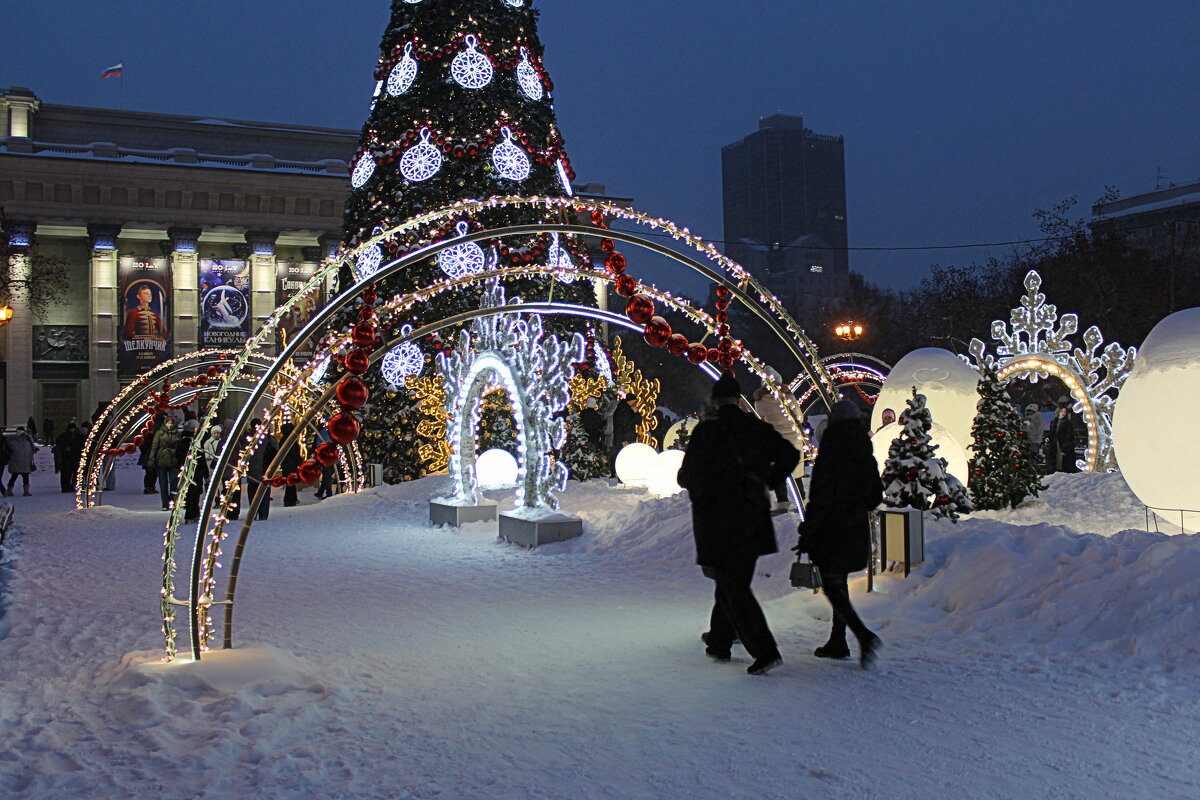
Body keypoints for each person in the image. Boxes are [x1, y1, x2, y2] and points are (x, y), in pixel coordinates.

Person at [677, 372, 799, 676]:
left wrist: (704, 489)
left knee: (732, 584)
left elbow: (685, 476)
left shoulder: (707, 432)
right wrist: (767, 480)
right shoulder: (755, 428)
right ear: (739, 400)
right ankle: (720, 641)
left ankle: (765, 651)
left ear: (716, 402)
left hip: (717, 517)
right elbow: (791, 454)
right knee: (732, 580)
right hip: (751, 515)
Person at [796, 400, 884, 669]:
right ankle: (839, 639)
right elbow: (874, 496)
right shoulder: (864, 452)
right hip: (854, 525)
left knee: (833, 585)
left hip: (830, 527)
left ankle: (861, 635)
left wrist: (809, 529)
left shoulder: (831, 451)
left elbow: (820, 496)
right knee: (838, 582)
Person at [752, 385, 806, 513]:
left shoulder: (760, 402)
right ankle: (802, 501)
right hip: (794, 438)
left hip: (776, 441)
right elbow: (799, 418)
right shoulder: (789, 398)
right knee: (797, 472)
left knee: (778, 471)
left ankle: (783, 503)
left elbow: (760, 419)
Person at [245, 419, 278, 521]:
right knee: (264, 492)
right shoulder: (268, 438)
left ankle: (253, 513)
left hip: (251, 471)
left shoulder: (247, 438)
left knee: (252, 492)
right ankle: (263, 514)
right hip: (265, 470)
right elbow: (276, 451)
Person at [148, 415, 182, 510]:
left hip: (173, 459)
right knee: (163, 483)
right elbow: (154, 446)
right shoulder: (159, 433)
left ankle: (172, 501)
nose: (169, 425)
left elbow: (180, 446)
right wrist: (151, 458)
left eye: (171, 423)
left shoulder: (177, 433)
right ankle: (165, 504)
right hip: (162, 459)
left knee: (174, 482)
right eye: (168, 423)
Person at [610, 394, 639, 478]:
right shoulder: (621, 409)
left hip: (630, 436)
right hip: (621, 437)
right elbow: (618, 425)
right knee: (618, 454)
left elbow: (639, 422)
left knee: (628, 455)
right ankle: (614, 472)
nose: (634, 403)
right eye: (633, 401)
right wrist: (623, 439)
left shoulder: (632, 410)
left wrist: (636, 412)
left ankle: (626, 471)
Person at [54, 422, 86, 493]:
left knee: (73, 473)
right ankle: (66, 487)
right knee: (66, 473)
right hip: (67, 457)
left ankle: (71, 487)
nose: (72, 430)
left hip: (74, 457)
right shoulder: (66, 436)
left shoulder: (77, 436)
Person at [5, 428, 38, 497]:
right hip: (16, 463)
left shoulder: (27, 443)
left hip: (25, 463)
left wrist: (30, 460)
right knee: (14, 477)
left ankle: (26, 491)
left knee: (25, 477)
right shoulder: (13, 443)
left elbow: (30, 452)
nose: (23, 437)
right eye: (22, 435)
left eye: (24, 435)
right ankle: (9, 490)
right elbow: (10, 452)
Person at [1047, 406, 1078, 473]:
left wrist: (1066, 447)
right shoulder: (1054, 422)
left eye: (1065, 412)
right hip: (1055, 443)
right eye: (1062, 411)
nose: (1063, 413)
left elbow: (1070, 436)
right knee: (1055, 459)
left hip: (1064, 444)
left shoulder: (1068, 423)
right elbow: (1052, 433)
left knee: (1064, 461)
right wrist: (1048, 438)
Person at [279, 422, 302, 507]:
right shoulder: (291, 440)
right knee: (291, 482)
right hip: (291, 463)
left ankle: (291, 499)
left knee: (290, 481)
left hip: (286, 463)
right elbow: (294, 453)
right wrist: (300, 461)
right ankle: (290, 499)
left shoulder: (283, 440)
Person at [313, 425, 335, 500]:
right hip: (330, 456)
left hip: (325, 456)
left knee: (326, 475)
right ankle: (321, 492)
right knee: (326, 475)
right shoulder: (331, 430)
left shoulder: (323, 432)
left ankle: (328, 493)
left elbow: (318, 444)